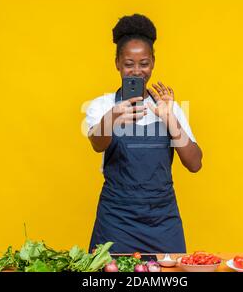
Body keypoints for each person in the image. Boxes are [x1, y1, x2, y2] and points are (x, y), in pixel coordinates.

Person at [86, 14, 203, 253]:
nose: (137, 71)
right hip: (116, 221)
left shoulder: (169, 107)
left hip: (162, 220)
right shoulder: (102, 105)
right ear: (117, 63)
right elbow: (97, 144)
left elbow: (194, 163)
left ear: (153, 63)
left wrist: (169, 117)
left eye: (144, 63)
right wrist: (114, 116)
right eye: (129, 64)